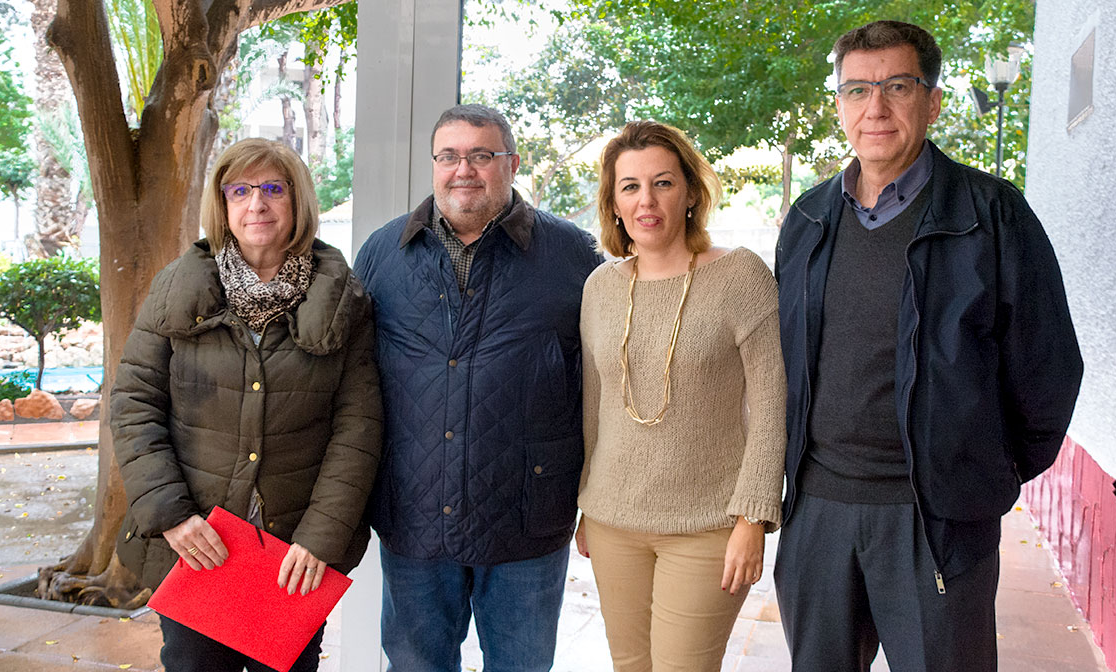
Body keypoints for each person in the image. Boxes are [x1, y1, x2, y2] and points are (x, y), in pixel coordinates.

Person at [774, 20, 1083, 672]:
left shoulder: (992, 214)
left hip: (935, 521)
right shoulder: (805, 221)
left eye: (897, 86)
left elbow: (1049, 370)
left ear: (933, 100)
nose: (875, 107)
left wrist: (980, 475)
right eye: (857, 90)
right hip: (818, 513)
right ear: (838, 105)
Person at [111, 138, 382, 672]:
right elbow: (134, 403)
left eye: (272, 189)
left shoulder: (344, 300)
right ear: (224, 205)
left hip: (292, 556)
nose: (256, 203)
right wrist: (172, 516)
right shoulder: (175, 289)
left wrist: (319, 539)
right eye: (240, 190)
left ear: (297, 202)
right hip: (198, 543)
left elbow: (359, 427)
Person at [354, 103, 602, 671]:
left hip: (528, 519)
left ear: (511, 164)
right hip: (413, 515)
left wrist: (596, 498)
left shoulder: (574, 256)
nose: (463, 169)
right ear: (434, 165)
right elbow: (354, 382)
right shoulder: (382, 253)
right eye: (449, 156)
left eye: (481, 155)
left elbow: (602, 387)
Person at [574, 120, 786, 672]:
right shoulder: (599, 288)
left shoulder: (740, 276)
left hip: (707, 526)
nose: (647, 200)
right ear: (614, 203)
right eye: (630, 187)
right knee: (631, 667)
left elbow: (771, 406)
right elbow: (595, 407)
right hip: (613, 522)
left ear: (690, 192)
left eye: (663, 183)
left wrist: (753, 518)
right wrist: (586, 505)